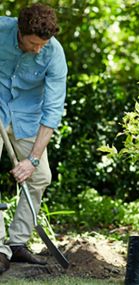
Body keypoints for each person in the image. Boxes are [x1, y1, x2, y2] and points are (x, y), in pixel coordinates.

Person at [0, 3, 67, 273]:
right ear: (20, 31)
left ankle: (16, 244)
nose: (39, 48)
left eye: (43, 44)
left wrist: (33, 160)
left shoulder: (54, 53)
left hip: (29, 117)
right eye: (33, 43)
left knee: (40, 177)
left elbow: (52, 111)